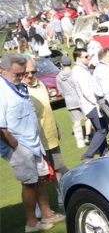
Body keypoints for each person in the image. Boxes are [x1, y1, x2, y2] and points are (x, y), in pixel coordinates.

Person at [0, 53, 65, 233]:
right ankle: (31, 223)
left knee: (39, 179)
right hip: (17, 145)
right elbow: (1, 126)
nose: (22, 78)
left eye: (23, 73)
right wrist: (16, 147)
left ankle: (47, 214)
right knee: (29, 182)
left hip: (32, 142)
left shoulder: (19, 85)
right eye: (17, 74)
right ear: (2, 70)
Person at [21, 56, 68, 206]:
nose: (29, 75)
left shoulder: (39, 83)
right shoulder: (19, 89)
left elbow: (47, 108)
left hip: (50, 134)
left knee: (57, 167)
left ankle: (61, 194)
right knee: (37, 174)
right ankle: (39, 206)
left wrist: (56, 127)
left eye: (32, 71)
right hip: (34, 139)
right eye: (25, 72)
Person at [72, 47, 109, 161]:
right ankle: (88, 155)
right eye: (86, 57)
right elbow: (86, 91)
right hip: (91, 105)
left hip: (90, 105)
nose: (89, 59)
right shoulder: (79, 71)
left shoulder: (83, 69)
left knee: (101, 129)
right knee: (102, 130)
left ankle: (105, 153)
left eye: (89, 56)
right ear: (78, 58)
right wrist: (97, 102)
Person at [55, 55, 85, 149]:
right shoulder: (74, 73)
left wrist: (66, 96)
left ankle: (80, 141)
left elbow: (61, 91)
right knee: (87, 118)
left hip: (69, 100)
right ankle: (88, 135)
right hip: (80, 98)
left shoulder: (58, 77)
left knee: (76, 120)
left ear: (61, 64)